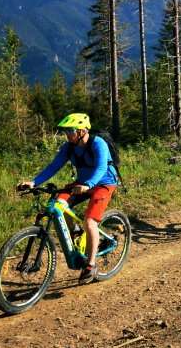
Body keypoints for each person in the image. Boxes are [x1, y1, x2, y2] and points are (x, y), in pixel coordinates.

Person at [18, 113, 119, 283]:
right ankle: (76, 232)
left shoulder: (98, 143)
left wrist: (89, 184)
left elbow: (101, 167)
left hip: (104, 183)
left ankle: (91, 265)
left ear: (82, 131)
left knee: (90, 222)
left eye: (70, 130)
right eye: (66, 131)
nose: (67, 134)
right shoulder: (69, 147)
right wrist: (34, 182)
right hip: (82, 183)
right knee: (58, 205)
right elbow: (53, 167)